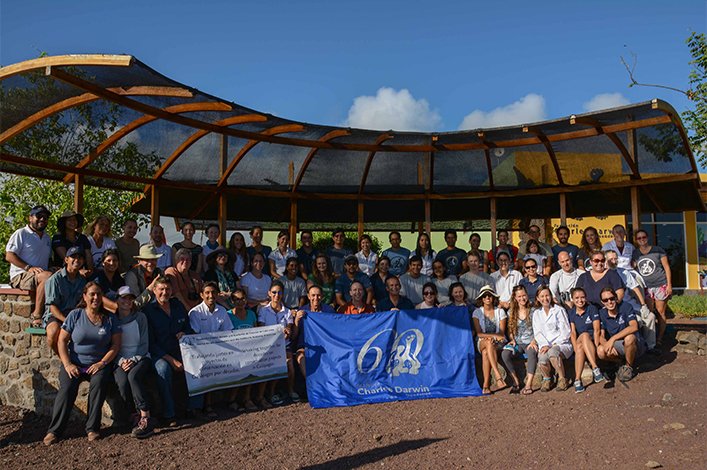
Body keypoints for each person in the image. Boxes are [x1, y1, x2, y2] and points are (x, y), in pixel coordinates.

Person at [42, 282, 121, 445]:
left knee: (99, 384)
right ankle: (54, 431)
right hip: (75, 363)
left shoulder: (110, 318)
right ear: (84, 297)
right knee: (67, 389)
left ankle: (92, 428)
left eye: (99, 294)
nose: (96, 297)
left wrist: (102, 363)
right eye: (92, 294)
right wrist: (68, 364)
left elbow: (115, 345)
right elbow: (62, 340)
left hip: (99, 364)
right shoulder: (75, 315)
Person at [143, 277, 193, 426]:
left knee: (197, 365)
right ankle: (169, 414)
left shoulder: (178, 306)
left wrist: (184, 333)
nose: (165, 292)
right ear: (154, 290)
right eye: (161, 289)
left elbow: (188, 327)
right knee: (163, 370)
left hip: (181, 350)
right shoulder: (148, 311)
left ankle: (194, 408)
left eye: (168, 289)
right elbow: (150, 343)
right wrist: (171, 360)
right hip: (159, 354)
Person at [113, 286, 154, 439]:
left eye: (130, 298)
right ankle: (133, 414)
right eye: (123, 298)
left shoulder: (140, 317)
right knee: (122, 382)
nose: (127, 301)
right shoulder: (112, 319)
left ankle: (145, 416)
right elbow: (112, 346)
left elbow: (144, 344)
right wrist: (122, 361)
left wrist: (134, 359)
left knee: (134, 377)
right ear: (117, 300)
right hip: (120, 361)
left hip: (141, 357)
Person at [188, 281, 234, 417]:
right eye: (207, 293)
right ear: (202, 295)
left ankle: (227, 402)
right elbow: (195, 336)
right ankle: (200, 407)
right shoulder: (195, 312)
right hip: (199, 352)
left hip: (219, 351)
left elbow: (228, 332)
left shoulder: (222, 311)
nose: (210, 295)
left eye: (213, 292)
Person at [6, 205, 53, 323]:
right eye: (39, 216)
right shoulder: (21, 233)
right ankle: (37, 315)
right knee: (47, 277)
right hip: (21, 275)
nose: (42, 219)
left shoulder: (47, 238)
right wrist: (28, 268)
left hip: (39, 274)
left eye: (45, 217)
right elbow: (9, 255)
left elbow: (46, 259)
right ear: (30, 218)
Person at [256, 280, 299, 406]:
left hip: (284, 346)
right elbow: (261, 329)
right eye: (274, 292)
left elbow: (290, 329)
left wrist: (287, 331)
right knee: (275, 363)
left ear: (283, 294)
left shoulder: (287, 312)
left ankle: (290, 391)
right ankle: (271, 393)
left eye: (279, 292)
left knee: (289, 364)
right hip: (268, 348)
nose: (276, 295)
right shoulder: (263, 311)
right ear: (269, 293)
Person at [606, 249, 657, 351]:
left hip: (631, 304)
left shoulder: (624, 272)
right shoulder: (604, 274)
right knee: (636, 321)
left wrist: (643, 305)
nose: (614, 261)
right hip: (616, 307)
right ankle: (636, 348)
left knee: (650, 317)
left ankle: (650, 347)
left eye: (615, 259)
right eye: (611, 259)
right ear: (606, 260)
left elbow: (635, 288)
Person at [42, 246, 88, 353]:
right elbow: (52, 307)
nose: (77, 260)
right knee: (53, 334)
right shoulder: (55, 279)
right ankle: (64, 361)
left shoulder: (83, 281)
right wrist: (67, 321)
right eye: (73, 257)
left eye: (80, 257)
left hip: (75, 315)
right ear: (66, 259)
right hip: (56, 316)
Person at [597, 287, 647, 383]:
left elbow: (634, 327)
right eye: (605, 300)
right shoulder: (602, 313)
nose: (609, 302)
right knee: (600, 351)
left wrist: (612, 339)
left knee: (629, 338)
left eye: (611, 298)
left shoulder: (626, 307)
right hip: (618, 344)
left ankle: (628, 367)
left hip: (635, 344)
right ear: (602, 302)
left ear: (616, 298)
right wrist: (606, 345)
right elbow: (601, 335)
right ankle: (620, 362)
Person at [632, 229, 672, 347]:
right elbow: (634, 268)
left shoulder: (658, 250)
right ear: (636, 240)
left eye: (643, 237)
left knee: (660, 312)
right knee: (649, 313)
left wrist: (669, 285)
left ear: (647, 237)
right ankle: (651, 338)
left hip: (660, 284)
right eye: (639, 238)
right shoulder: (635, 253)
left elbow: (667, 268)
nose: (641, 240)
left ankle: (660, 338)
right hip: (646, 287)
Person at [532, 285, 572, 392]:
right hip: (544, 345)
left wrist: (552, 345)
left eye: (547, 295)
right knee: (542, 358)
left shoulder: (559, 310)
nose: (545, 299)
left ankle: (562, 379)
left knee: (553, 353)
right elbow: (538, 332)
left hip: (561, 344)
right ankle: (547, 379)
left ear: (551, 296)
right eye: (542, 296)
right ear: (537, 298)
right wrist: (545, 345)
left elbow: (566, 331)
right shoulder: (536, 313)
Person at [226, 288, 259, 412]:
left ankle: (247, 398)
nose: (240, 302)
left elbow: (256, 331)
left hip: (250, 350)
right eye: (237, 299)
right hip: (234, 351)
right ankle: (232, 399)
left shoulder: (251, 314)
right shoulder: (228, 315)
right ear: (232, 301)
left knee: (250, 366)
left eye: (243, 299)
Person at [292, 285, 336, 379]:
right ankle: (311, 383)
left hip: (325, 346)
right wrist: (296, 320)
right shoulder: (302, 311)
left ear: (322, 296)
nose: (316, 298)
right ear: (308, 296)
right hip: (305, 346)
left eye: (318, 295)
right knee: (301, 358)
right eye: (313, 295)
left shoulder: (329, 311)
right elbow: (294, 336)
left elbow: (334, 332)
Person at [502, 286, 538, 395]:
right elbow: (510, 329)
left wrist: (534, 341)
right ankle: (516, 381)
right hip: (517, 342)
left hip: (530, 341)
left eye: (524, 295)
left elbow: (539, 328)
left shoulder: (533, 310)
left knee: (532, 352)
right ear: (515, 298)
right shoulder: (511, 312)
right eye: (519, 296)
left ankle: (529, 384)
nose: (522, 298)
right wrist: (512, 339)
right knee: (505, 353)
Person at [471, 285, 508, 395]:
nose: (487, 297)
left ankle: (486, 385)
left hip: (497, 342)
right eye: (485, 296)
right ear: (481, 299)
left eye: (490, 295)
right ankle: (497, 375)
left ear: (493, 298)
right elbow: (479, 333)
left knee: (486, 352)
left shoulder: (500, 312)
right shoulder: (477, 312)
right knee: (487, 343)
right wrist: (492, 337)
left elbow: (501, 333)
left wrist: (492, 338)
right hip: (482, 341)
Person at [567, 287, 604, 393]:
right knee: (583, 336)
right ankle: (595, 367)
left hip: (591, 340)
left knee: (580, 347)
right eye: (577, 298)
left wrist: (596, 345)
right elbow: (573, 333)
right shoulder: (572, 312)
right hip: (581, 338)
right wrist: (574, 347)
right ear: (572, 299)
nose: (580, 300)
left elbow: (597, 329)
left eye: (582, 297)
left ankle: (577, 380)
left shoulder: (591, 309)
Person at [124, 244, 164, 311]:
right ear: (139, 261)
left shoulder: (159, 272)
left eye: (153, 259)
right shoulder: (132, 275)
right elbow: (134, 304)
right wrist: (150, 288)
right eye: (146, 260)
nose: (150, 263)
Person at [90, 248, 124, 313]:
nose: (112, 263)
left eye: (115, 260)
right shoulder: (97, 278)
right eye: (109, 260)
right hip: (100, 312)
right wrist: (117, 307)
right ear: (103, 263)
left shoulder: (119, 279)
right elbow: (98, 297)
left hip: (118, 313)